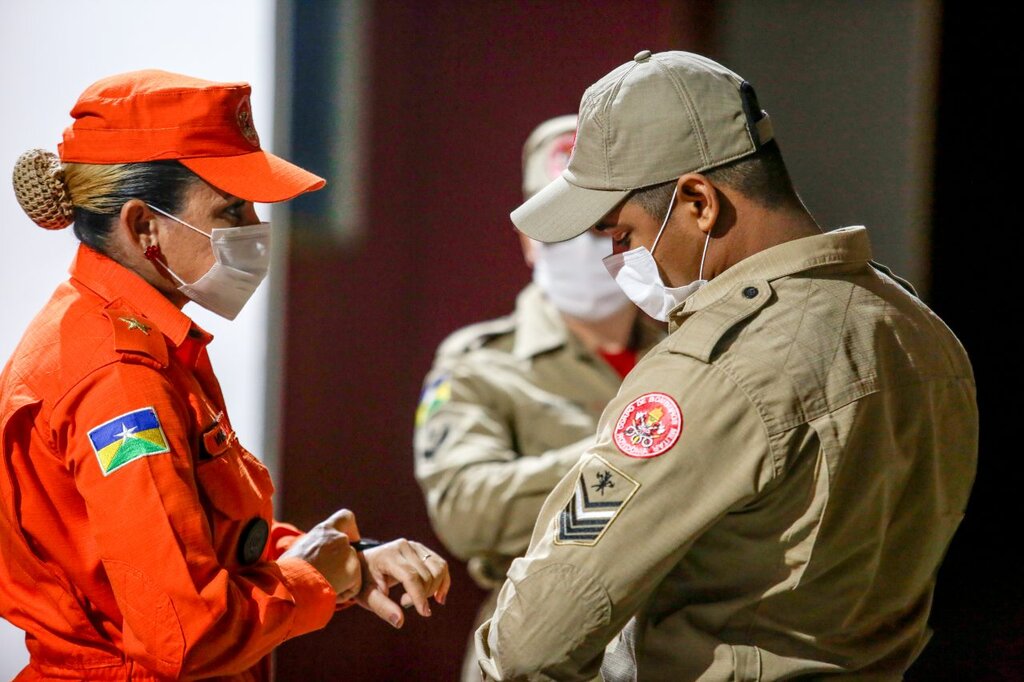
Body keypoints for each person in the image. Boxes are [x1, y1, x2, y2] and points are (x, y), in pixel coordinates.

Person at [475, 50, 978, 680]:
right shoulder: (919, 332)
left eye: (620, 235)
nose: (616, 260)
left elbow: (534, 643)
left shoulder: (711, 367)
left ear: (699, 202)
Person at [0, 70, 449, 681]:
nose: (255, 228)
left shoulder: (128, 333)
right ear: (143, 227)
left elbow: (195, 545)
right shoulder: (118, 382)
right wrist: (315, 578)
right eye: (230, 207)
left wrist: (335, 561)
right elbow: (187, 633)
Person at [413, 115, 662, 681]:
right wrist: (631, 455)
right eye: (558, 223)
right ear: (528, 239)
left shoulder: (689, 349)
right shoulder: (482, 363)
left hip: (677, 647)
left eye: (600, 220)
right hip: (549, 651)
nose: (582, 243)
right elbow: (466, 509)